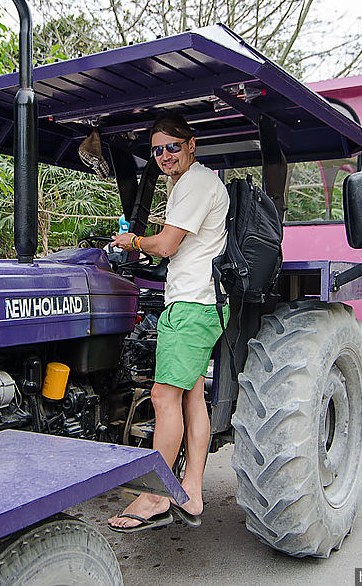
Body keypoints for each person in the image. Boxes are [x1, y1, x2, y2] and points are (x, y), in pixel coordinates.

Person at [107, 113, 229, 532]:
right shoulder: (189, 184)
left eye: (171, 147)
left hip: (193, 305)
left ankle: (157, 494)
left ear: (190, 144)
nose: (163, 156)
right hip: (197, 300)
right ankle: (191, 492)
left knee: (162, 397)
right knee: (192, 395)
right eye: (156, 149)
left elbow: (166, 244)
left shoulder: (195, 183)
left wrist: (133, 241)